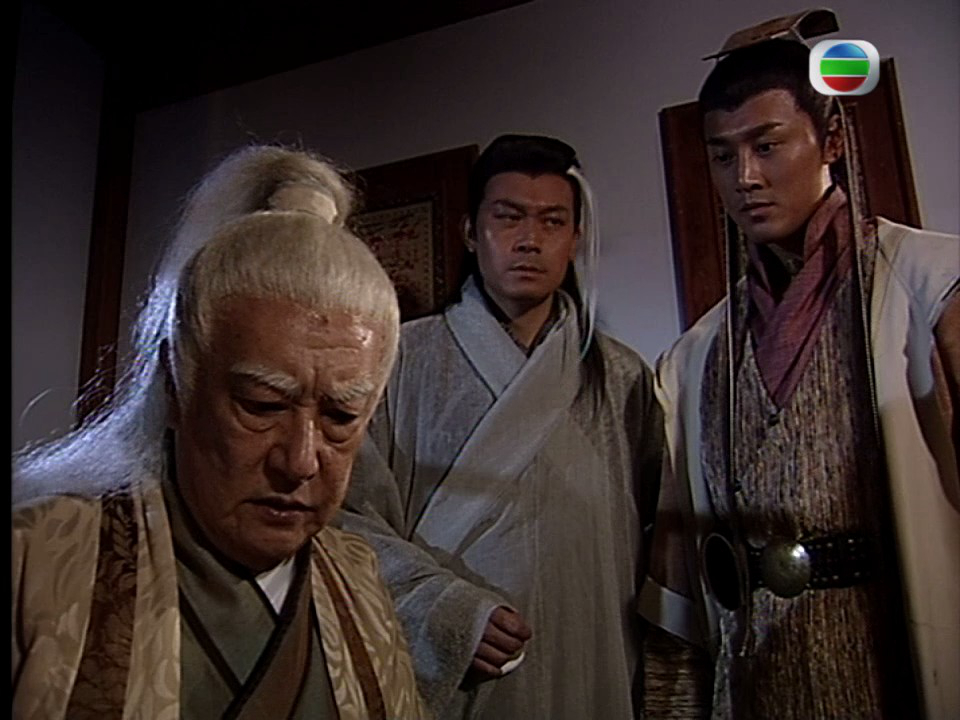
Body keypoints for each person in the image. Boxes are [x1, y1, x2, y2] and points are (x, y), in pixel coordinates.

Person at [12, 145, 429, 719]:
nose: (300, 461)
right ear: (175, 385)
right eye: (262, 405)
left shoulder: (359, 580)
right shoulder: (36, 559)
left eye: (340, 417)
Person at [638, 37, 960, 719]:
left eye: (768, 145)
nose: (745, 177)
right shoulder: (698, 355)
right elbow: (678, 586)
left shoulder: (933, 289)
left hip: (898, 662)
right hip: (754, 672)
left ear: (832, 141)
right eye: (723, 156)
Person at [339, 133, 663, 719]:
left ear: (575, 239)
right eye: (508, 217)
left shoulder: (622, 376)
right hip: (457, 668)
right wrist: (442, 607)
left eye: (552, 222)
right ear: (471, 231)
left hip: (592, 654)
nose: (529, 240)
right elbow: (346, 516)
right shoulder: (398, 360)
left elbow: (658, 538)